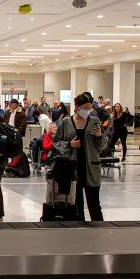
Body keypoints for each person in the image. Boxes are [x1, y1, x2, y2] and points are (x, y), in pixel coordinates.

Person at [54, 93, 107, 221]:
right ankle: (78, 228)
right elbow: (56, 142)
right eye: (85, 108)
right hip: (73, 168)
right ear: (77, 107)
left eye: (90, 108)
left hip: (91, 167)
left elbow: (102, 146)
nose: (88, 111)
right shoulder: (66, 122)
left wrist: (99, 136)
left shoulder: (95, 121)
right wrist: (69, 144)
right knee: (76, 204)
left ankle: (99, 229)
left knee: (94, 204)